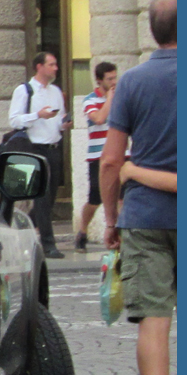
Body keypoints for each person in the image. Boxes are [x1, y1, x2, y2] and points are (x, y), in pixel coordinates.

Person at [99, 0, 177, 375]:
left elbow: (111, 160)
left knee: (153, 320)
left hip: (146, 219)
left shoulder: (131, 82)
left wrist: (111, 220)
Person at [8, 51, 70, 258]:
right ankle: (48, 243)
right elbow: (14, 120)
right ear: (39, 67)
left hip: (53, 147)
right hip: (34, 148)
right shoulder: (24, 90)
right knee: (42, 197)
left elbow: (58, 122)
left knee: (50, 195)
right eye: (51, 65)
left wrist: (64, 124)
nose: (55, 68)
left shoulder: (56, 92)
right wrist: (37, 115)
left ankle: (25, 226)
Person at [76, 61, 119, 251]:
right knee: (95, 199)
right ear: (100, 80)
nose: (113, 81)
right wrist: (110, 98)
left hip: (121, 153)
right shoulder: (90, 100)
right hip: (98, 155)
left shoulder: (121, 96)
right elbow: (99, 118)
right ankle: (82, 230)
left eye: (115, 77)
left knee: (123, 197)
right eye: (109, 79)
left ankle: (121, 236)